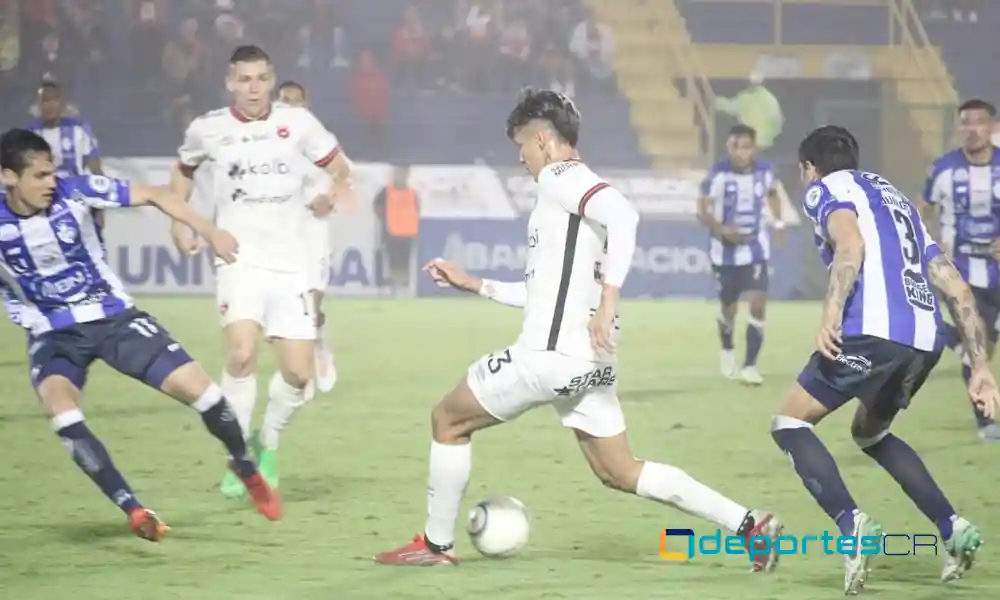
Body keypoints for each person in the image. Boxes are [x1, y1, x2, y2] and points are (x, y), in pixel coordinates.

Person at [374, 89, 782, 570]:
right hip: (589, 362)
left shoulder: (560, 178)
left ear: (544, 140)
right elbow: (544, 292)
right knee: (620, 470)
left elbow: (624, 214)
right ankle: (750, 524)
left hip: (548, 357)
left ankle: (435, 545)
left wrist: (610, 298)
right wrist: (475, 284)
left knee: (448, 419)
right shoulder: (570, 195)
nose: (521, 158)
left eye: (521, 146)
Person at [0, 129, 283, 541]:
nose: (51, 183)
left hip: (114, 319)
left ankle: (244, 464)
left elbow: (155, 194)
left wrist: (209, 231)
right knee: (61, 413)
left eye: (53, 173)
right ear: (8, 176)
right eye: (40, 176)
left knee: (204, 394)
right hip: (53, 333)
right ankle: (133, 510)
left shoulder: (75, 192)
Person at [770, 125, 996, 593]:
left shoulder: (825, 189)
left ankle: (852, 526)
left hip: (871, 333)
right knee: (870, 432)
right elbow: (955, 285)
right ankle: (952, 527)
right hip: (925, 338)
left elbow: (850, 244)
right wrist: (981, 368)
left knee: (789, 423)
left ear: (809, 168)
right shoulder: (898, 201)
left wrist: (830, 311)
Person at [169, 45, 355, 499]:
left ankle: (266, 443)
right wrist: (180, 220)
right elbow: (182, 172)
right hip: (239, 258)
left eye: (260, 79)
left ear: (271, 81)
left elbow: (340, 167)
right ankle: (242, 460)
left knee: (298, 375)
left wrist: (333, 190)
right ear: (230, 83)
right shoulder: (208, 128)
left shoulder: (299, 125)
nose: (252, 87)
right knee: (241, 355)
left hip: (291, 262)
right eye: (243, 79)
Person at [917, 99, 1000, 442]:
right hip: (961, 272)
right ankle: (987, 422)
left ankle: (944, 336)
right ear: (958, 128)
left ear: (992, 127)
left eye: (980, 122)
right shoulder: (943, 170)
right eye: (966, 122)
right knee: (978, 347)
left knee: (978, 344)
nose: (973, 129)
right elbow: (919, 212)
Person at [697, 124, 784, 385]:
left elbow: (772, 194)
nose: (741, 152)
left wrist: (778, 223)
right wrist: (722, 229)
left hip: (756, 249)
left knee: (758, 301)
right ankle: (727, 350)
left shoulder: (765, 171)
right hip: (724, 252)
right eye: (736, 146)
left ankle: (750, 366)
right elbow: (702, 209)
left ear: (754, 148)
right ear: (729, 147)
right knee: (729, 307)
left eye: (746, 146)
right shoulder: (717, 174)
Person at [276, 80, 338, 394]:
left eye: (295, 101)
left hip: (314, 230)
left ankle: (319, 346)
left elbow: (342, 175)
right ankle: (302, 373)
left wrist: (330, 197)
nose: (289, 106)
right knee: (291, 305)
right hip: (282, 232)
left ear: (306, 105)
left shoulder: (321, 139)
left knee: (312, 303)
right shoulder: (266, 143)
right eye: (284, 100)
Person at [27, 81, 106, 229]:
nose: (49, 105)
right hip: (43, 207)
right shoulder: (31, 133)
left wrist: (99, 208)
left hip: (76, 202)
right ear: (38, 105)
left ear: (62, 103)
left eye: (53, 100)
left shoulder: (79, 129)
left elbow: (96, 171)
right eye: (45, 101)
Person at [372, 165, 419, 296]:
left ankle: (405, 288)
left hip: (408, 233)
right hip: (391, 232)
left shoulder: (412, 192)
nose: (401, 176)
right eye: (398, 173)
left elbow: (416, 209)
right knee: (393, 261)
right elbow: (377, 207)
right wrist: (386, 220)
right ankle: (395, 288)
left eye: (404, 173)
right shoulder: (385, 192)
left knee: (406, 262)